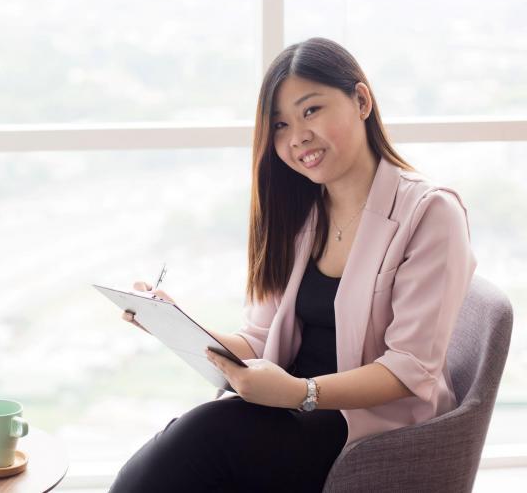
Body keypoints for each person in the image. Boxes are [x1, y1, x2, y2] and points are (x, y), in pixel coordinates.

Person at [109, 37, 477, 492]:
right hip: (288, 410)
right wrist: (173, 323)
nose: (297, 135)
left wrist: (301, 393)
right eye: (280, 124)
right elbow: (261, 339)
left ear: (361, 100)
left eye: (311, 111)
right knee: (177, 453)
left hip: (366, 430)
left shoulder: (430, 212)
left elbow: (410, 367)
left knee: (196, 447)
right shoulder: (302, 213)